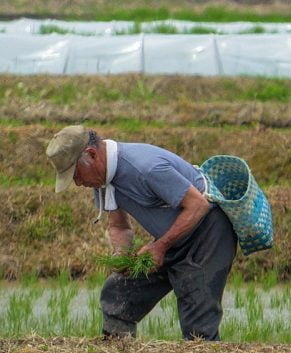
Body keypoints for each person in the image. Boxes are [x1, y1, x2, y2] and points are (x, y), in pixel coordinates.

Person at [46, 125, 237, 341]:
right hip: (173, 236)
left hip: (208, 233)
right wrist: (121, 255)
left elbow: (198, 205)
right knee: (118, 292)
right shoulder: (103, 180)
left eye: (77, 174)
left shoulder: (145, 167)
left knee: (198, 318)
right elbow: (119, 226)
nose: (78, 183)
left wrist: (160, 246)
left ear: (91, 155)